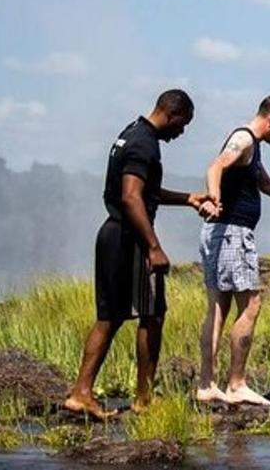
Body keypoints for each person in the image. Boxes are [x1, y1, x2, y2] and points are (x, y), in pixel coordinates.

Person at [63, 90, 212, 420]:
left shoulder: (130, 132)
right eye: (183, 125)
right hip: (128, 237)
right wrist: (154, 247)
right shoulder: (145, 143)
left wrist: (188, 198)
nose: (181, 132)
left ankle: (81, 393)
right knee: (152, 314)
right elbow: (131, 198)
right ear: (172, 115)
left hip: (113, 233)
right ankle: (143, 398)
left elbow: (143, 190)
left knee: (112, 316)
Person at [195, 93, 270, 405]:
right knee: (251, 304)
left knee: (219, 307)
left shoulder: (253, 146)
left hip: (223, 232)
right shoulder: (244, 139)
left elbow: (264, 183)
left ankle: (207, 384)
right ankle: (236, 384)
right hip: (232, 232)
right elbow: (216, 166)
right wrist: (214, 197)